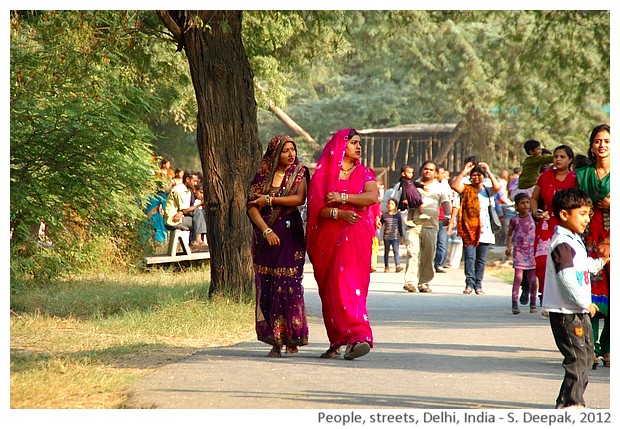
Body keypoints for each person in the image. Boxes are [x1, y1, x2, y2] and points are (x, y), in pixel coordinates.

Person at [306, 128, 378, 360]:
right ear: (340, 146)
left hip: (356, 236)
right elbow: (319, 210)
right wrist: (339, 212)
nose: (358, 147)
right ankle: (337, 340)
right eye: (353, 143)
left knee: (350, 285)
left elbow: (371, 198)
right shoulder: (323, 175)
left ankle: (359, 336)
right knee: (330, 289)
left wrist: (343, 198)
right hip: (328, 237)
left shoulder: (365, 173)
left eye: (360, 143)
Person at [542, 188, 609, 409]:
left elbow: (583, 267)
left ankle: (567, 401)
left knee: (587, 355)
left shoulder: (574, 241)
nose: (587, 218)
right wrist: (584, 303)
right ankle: (571, 404)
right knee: (577, 357)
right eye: (582, 213)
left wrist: (601, 260)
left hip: (577, 311)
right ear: (564, 214)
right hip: (567, 313)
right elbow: (566, 279)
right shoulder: (562, 243)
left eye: (588, 213)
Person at [246, 134, 310, 357]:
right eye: (285, 150)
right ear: (275, 153)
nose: (291, 154)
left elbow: (299, 199)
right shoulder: (262, 176)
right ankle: (274, 340)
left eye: (293, 149)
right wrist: (266, 230)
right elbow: (252, 206)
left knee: (290, 285)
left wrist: (270, 200)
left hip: (290, 236)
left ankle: (291, 337)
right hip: (266, 238)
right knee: (268, 286)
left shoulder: (299, 172)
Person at [575, 124, 610, 368]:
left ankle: (609, 348)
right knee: (590, 292)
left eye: (607, 141)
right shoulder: (582, 175)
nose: (603, 145)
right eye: (598, 141)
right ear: (591, 145)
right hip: (589, 238)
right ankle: (591, 348)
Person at [530, 145, 576, 305]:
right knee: (542, 262)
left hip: (567, 225)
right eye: (556, 156)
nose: (557, 159)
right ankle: (546, 296)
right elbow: (534, 198)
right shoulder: (545, 176)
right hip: (546, 223)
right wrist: (535, 211)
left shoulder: (575, 178)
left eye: (562, 157)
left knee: (563, 262)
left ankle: (563, 298)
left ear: (570, 160)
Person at [449, 160, 501, 295]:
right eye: (474, 175)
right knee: (469, 257)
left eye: (479, 175)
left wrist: (488, 171)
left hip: (485, 230)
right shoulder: (466, 189)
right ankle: (469, 284)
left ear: (484, 177)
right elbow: (454, 185)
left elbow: (497, 187)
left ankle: (478, 284)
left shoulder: (487, 191)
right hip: (469, 230)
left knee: (481, 259)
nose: (476, 177)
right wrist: (464, 171)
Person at [402, 161, 451, 293]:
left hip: (431, 225)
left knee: (428, 255)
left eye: (431, 170)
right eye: (425, 169)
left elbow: (446, 202)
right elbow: (401, 199)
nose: (428, 171)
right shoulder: (412, 184)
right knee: (412, 252)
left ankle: (423, 282)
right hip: (414, 224)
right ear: (421, 170)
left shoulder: (440, 187)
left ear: (435, 173)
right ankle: (410, 282)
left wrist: (448, 216)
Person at [505, 193, 537, 314]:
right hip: (519, 251)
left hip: (532, 251)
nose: (525, 205)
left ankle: (533, 302)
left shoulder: (533, 217)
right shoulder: (514, 219)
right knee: (518, 277)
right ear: (517, 206)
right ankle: (514, 303)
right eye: (522, 203)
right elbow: (509, 234)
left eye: (527, 202)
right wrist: (508, 247)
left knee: (533, 279)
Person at [433, 166, 452, 272]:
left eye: (445, 173)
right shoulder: (429, 186)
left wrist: (450, 218)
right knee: (432, 243)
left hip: (443, 219)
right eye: (442, 173)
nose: (444, 175)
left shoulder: (446, 187)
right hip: (432, 218)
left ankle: (439, 263)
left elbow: (451, 202)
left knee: (442, 242)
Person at [380, 197, 404, 273]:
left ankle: (397, 265)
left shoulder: (398, 215)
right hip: (386, 237)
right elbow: (380, 225)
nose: (390, 205)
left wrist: (401, 237)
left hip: (395, 237)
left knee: (396, 251)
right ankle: (386, 267)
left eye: (392, 204)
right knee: (386, 252)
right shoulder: (384, 215)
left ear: (395, 206)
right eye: (389, 204)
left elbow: (400, 226)